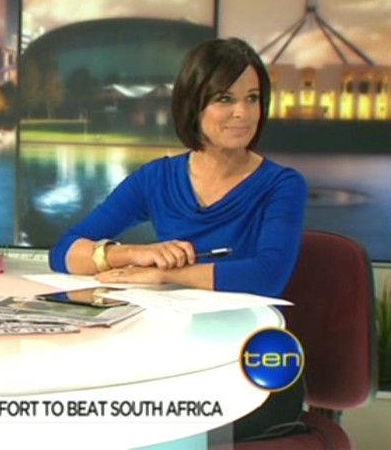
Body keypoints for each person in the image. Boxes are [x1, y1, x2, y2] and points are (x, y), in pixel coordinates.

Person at [49, 37, 308, 442]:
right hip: (173, 355)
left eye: (253, 98)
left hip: (253, 366)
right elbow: (64, 252)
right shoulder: (158, 178)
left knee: (155, 421)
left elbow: (267, 277)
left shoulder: (282, 185)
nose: (242, 113)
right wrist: (135, 254)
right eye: (225, 99)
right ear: (194, 104)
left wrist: (169, 275)